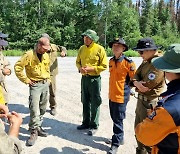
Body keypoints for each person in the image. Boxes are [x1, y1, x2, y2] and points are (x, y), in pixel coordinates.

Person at [135, 44, 180, 154]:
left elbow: (143, 134)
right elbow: (135, 77)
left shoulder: (169, 109)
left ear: (169, 71)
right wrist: (136, 82)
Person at [14, 37, 51, 146]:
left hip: (45, 84)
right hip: (35, 85)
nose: (45, 50)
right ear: (39, 46)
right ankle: (34, 131)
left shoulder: (46, 55)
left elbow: (48, 68)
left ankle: (38, 126)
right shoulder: (29, 55)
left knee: (42, 108)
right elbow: (18, 67)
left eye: (47, 48)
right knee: (34, 108)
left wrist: (48, 80)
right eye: (44, 48)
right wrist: (26, 80)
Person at [132, 37, 165, 154]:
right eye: (139, 52)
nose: (140, 54)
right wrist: (136, 82)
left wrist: (137, 83)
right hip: (141, 102)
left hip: (150, 104)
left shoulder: (158, 63)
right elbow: (135, 76)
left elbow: (148, 85)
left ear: (151, 50)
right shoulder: (146, 61)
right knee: (138, 131)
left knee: (150, 137)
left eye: (141, 51)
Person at [76, 29, 108, 136]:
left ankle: (94, 125)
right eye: (85, 37)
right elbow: (78, 62)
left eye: (88, 37)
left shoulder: (100, 49)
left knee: (95, 101)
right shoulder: (81, 49)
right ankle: (85, 122)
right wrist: (80, 68)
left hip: (95, 79)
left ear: (93, 39)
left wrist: (92, 69)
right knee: (85, 100)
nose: (86, 39)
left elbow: (104, 66)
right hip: (84, 79)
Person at [107, 38, 136, 154]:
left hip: (121, 96)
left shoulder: (129, 63)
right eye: (114, 45)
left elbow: (134, 79)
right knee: (114, 118)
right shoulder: (111, 61)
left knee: (118, 120)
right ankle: (120, 138)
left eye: (118, 46)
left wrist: (130, 90)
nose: (116, 47)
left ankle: (115, 144)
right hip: (112, 95)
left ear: (123, 48)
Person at [41, 33, 67, 116]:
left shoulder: (54, 47)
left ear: (49, 40)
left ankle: (53, 107)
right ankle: (41, 107)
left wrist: (63, 52)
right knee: (41, 91)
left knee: (52, 91)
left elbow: (63, 48)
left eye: (46, 39)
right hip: (41, 73)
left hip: (52, 73)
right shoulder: (38, 47)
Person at [0, 33, 12, 105]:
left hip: (2, 88)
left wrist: (9, 70)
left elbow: (7, 64)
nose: (2, 48)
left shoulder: (1, 54)